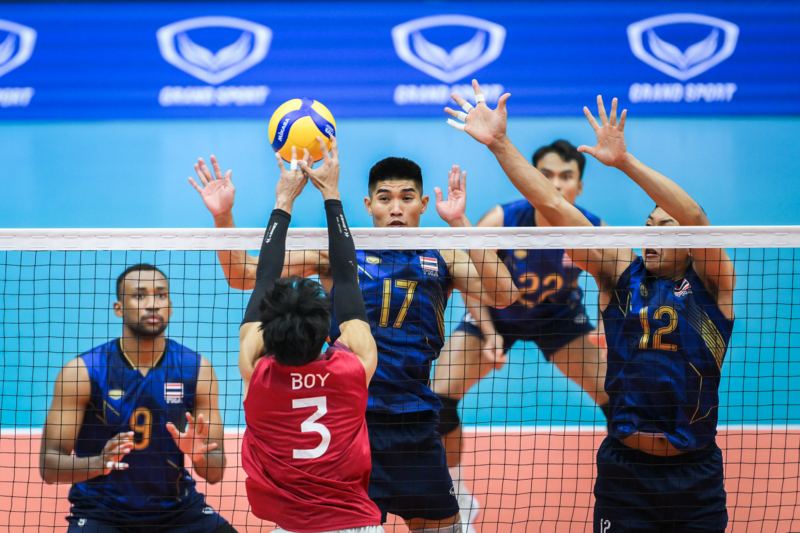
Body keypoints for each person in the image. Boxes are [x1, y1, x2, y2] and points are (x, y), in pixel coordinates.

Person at [446, 80, 735, 533]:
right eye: (648, 225)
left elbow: (696, 218)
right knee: (442, 395)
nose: (652, 233)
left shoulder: (713, 288)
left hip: (695, 472)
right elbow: (550, 203)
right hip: (625, 472)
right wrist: (500, 143)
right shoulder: (619, 273)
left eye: (666, 227)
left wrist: (624, 162)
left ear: (689, 242)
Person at [189, 144, 517, 531]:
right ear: (368, 205)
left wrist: (460, 222)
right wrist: (223, 216)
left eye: (407, 198)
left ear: (424, 203)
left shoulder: (444, 256)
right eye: (385, 198)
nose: (396, 208)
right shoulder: (339, 254)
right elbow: (244, 274)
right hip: (349, 426)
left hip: (415, 422)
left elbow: (504, 294)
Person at [429, 140, 610, 532]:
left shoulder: (592, 228)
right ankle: (456, 493)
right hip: (497, 314)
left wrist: (604, 326)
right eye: (545, 175)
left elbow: (612, 279)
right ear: (529, 179)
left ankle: (626, 484)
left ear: (579, 185)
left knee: (618, 398)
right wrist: (488, 331)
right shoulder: (502, 220)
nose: (555, 184)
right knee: (438, 399)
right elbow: (468, 275)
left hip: (559, 318)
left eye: (566, 176)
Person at [238, 140, 384, 533]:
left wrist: (283, 198)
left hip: (291, 526)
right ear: (326, 329)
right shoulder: (354, 367)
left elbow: (265, 278)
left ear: (267, 331)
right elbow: (347, 277)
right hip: (356, 525)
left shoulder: (257, 373)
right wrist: (330, 193)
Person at [39, 264, 233, 533]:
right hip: (102, 514)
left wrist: (198, 454)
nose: (153, 304)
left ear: (170, 306)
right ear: (118, 308)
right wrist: (98, 463)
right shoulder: (82, 372)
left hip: (179, 511)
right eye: (140, 295)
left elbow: (215, 473)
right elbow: (49, 466)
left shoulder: (196, 369)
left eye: (161, 295)